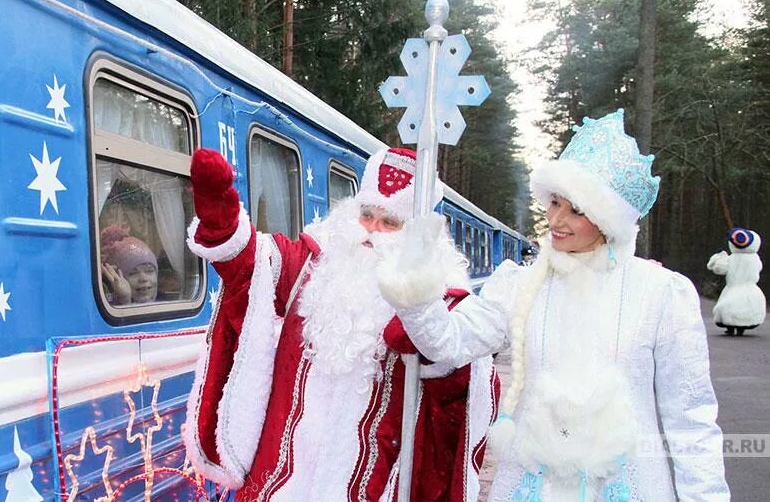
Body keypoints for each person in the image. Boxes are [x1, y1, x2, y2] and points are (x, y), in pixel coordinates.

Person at [379, 110, 730, 501]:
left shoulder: (661, 294)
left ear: (607, 219)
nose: (556, 219)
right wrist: (415, 289)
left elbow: (691, 421)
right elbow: (446, 343)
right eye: (555, 202)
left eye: (576, 210)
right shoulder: (519, 285)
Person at [182, 147, 499, 501]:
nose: (373, 231)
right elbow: (249, 270)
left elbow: (461, 394)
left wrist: (424, 331)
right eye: (366, 215)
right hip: (278, 482)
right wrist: (223, 224)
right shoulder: (311, 264)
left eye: (390, 222)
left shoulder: (442, 302)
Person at [707, 228, 766, 336]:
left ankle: (730, 327)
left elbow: (721, 270)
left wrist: (719, 258)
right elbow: (759, 269)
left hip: (733, 287)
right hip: (750, 289)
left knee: (728, 306)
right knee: (745, 307)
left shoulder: (732, 258)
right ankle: (741, 328)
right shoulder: (755, 258)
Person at [100, 225, 159, 305]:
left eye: (149, 270)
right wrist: (125, 300)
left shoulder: (167, 303)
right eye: (133, 273)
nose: (144, 278)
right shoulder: (107, 308)